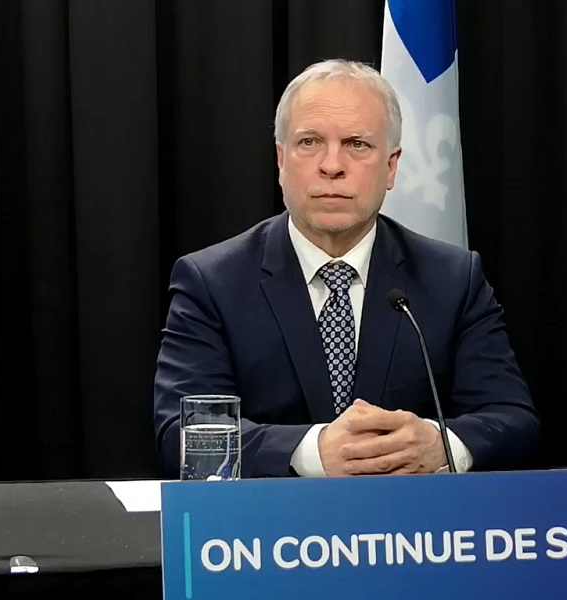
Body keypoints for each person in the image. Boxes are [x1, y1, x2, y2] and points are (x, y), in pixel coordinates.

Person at [153, 58, 539, 478]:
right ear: (281, 160)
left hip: (409, 515)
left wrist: (440, 443)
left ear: (391, 166)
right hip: (269, 518)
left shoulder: (453, 278)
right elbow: (183, 433)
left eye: (357, 144)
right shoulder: (211, 282)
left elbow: (512, 419)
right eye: (309, 142)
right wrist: (313, 452)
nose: (332, 165)